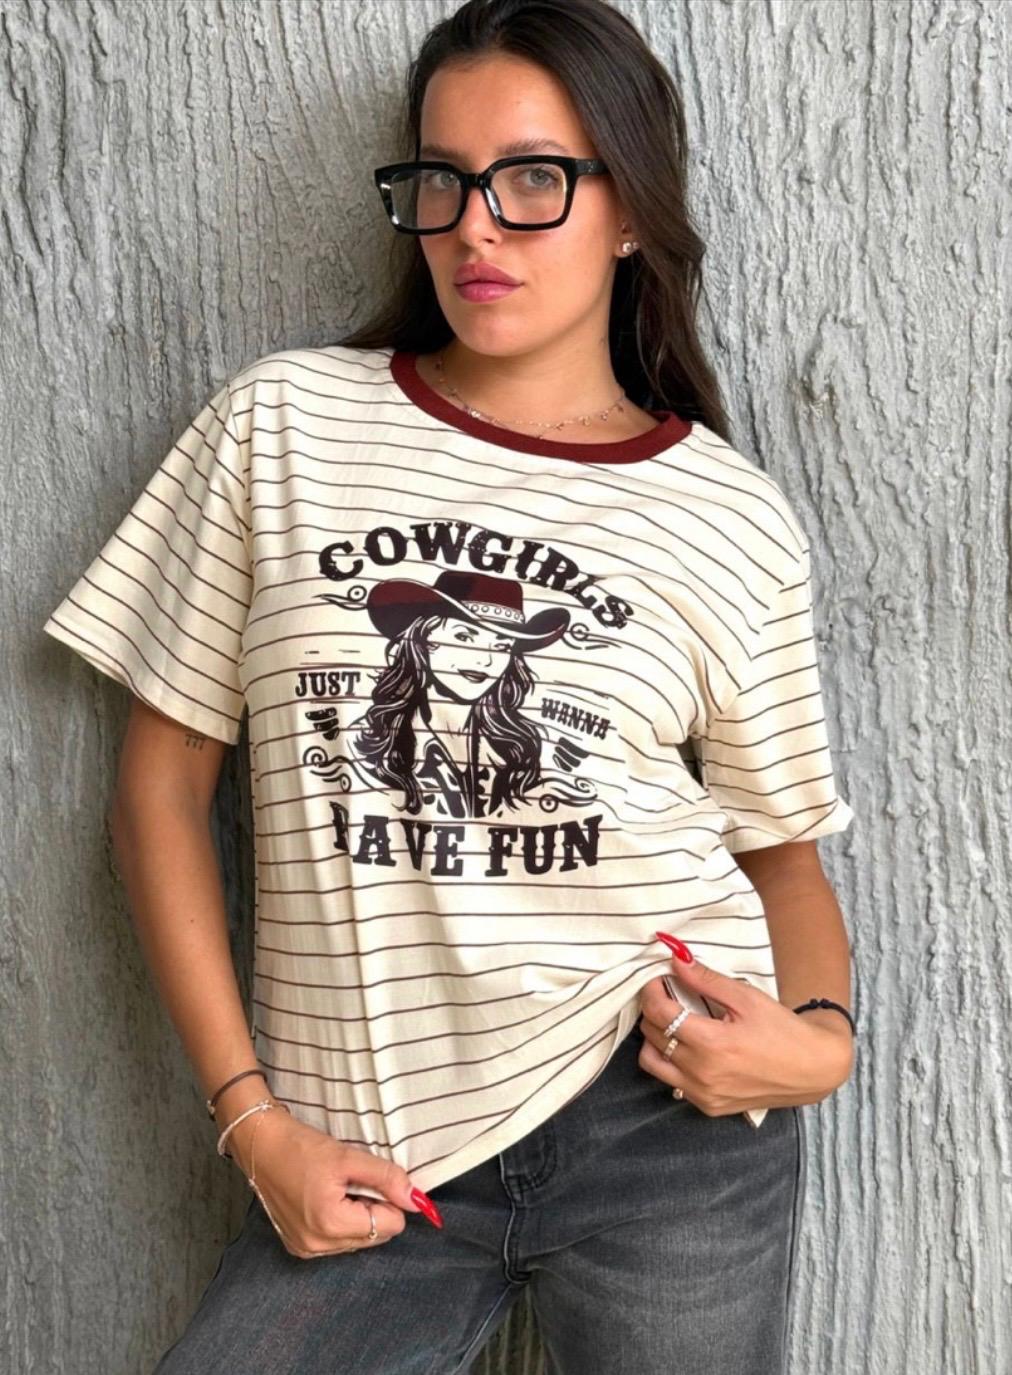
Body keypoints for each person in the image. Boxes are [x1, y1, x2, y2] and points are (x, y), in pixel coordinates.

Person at [42, 1, 858, 1370]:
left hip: (663, 1121)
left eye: (533, 180)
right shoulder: (282, 426)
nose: (476, 227)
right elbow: (158, 795)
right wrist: (253, 1123)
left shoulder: (727, 514)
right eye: (443, 180)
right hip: (365, 1146)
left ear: (630, 209)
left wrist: (821, 1046)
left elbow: (780, 855)